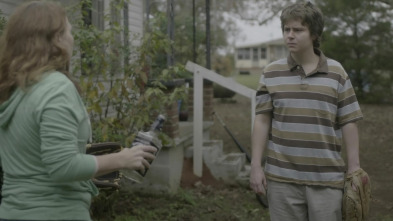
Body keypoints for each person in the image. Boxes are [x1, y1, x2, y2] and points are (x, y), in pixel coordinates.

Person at [0, 1, 156, 220]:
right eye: (70, 31)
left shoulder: (13, 91)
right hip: (56, 213)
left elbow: (39, 164)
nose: (73, 38)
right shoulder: (55, 87)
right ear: (57, 40)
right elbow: (63, 166)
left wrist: (101, 167)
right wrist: (122, 159)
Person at [249, 2, 363, 221]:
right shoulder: (270, 73)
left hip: (327, 180)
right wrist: (256, 166)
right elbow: (262, 121)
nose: (290, 35)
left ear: (314, 34)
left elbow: (349, 121)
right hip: (282, 180)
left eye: (298, 30)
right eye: (286, 30)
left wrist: (354, 170)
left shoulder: (337, 73)